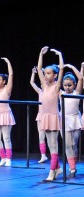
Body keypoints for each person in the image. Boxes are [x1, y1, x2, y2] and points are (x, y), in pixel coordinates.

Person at [37, 46, 64, 180]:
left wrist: (59, 55)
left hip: (53, 117)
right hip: (45, 117)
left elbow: (62, 69)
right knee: (49, 144)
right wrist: (41, 54)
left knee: (54, 145)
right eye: (45, 73)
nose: (46, 75)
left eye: (49, 73)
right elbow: (39, 68)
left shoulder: (56, 86)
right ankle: (57, 168)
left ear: (55, 75)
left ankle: (51, 172)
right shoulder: (44, 85)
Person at [0, 56, 15, 167]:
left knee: (6, 137)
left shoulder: (7, 89)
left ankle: (8, 158)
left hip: (5, 115)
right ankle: (3, 157)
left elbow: (11, 75)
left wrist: (8, 62)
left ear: (4, 82)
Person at [60, 64, 82, 178]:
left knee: (74, 144)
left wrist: (71, 66)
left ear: (74, 85)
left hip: (75, 119)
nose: (67, 87)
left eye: (69, 85)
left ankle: (73, 163)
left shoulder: (76, 93)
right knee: (68, 145)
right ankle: (72, 167)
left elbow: (80, 78)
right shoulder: (61, 93)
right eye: (65, 85)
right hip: (64, 120)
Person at [30, 67, 48, 163]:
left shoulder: (52, 91)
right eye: (41, 83)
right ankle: (43, 155)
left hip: (50, 116)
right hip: (41, 116)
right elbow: (32, 83)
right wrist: (33, 73)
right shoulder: (40, 92)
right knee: (41, 137)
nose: (42, 85)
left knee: (51, 138)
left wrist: (44, 71)